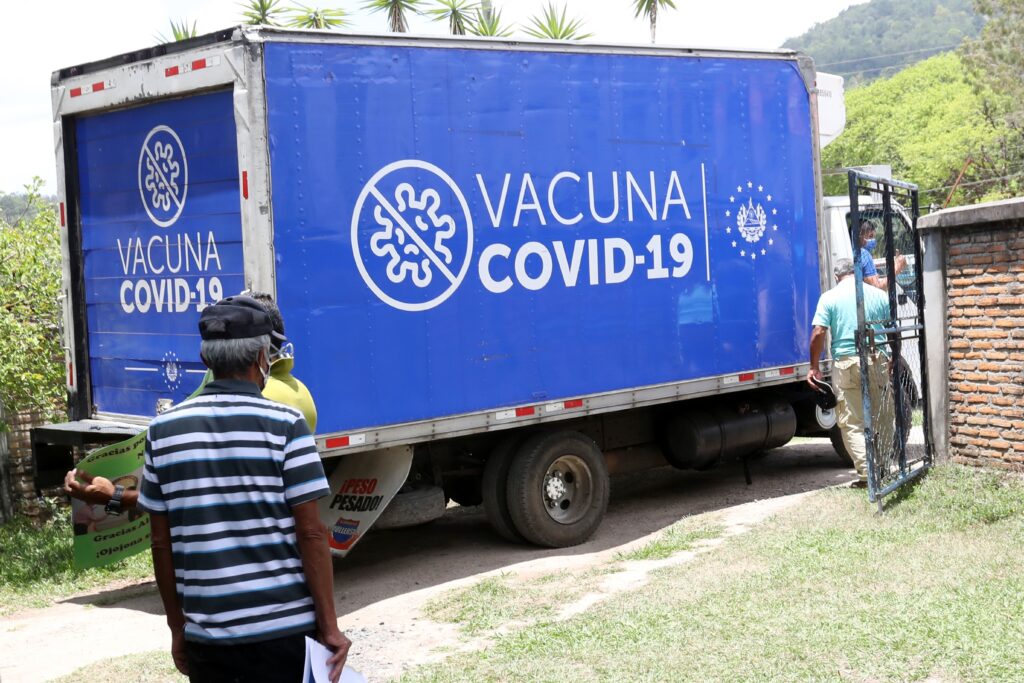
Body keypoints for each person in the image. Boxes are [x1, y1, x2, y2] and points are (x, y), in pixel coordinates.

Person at [137, 295, 349, 682]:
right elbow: (311, 532)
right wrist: (329, 626)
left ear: (206, 359)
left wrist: (177, 627)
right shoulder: (286, 424)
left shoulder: (162, 431)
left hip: (209, 639)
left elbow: (161, 542)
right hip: (284, 634)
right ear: (261, 358)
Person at [65, 293, 318, 509]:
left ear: (205, 358)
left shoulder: (172, 426)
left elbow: (194, 497)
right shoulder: (298, 396)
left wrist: (115, 496)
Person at [808, 258, 895, 488]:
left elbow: (818, 332)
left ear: (837, 276)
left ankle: (868, 476)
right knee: (883, 416)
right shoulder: (878, 294)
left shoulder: (829, 297)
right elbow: (892, 330)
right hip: (877, 357)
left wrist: (814, 366)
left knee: (852, 421)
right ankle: (884, 467)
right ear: (856, 273)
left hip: (846, 363)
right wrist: (893, 356)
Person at [857, 220, 906, 291]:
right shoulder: (864, 254)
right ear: (860, 236)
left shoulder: (854, 252)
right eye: (870, 236)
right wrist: (896, 268)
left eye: (874, 237)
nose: (873, 240)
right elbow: (876, 287)